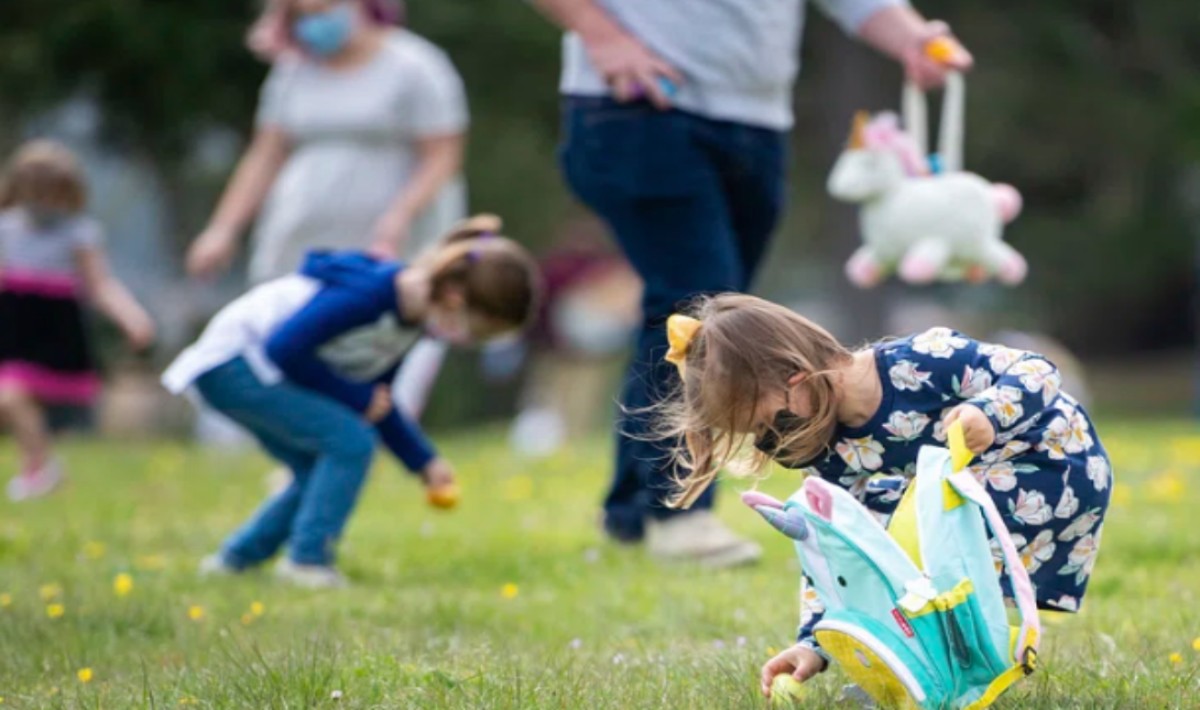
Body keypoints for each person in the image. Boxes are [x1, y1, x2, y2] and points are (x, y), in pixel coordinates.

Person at [529, 0, 974, 566]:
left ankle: (633, 510)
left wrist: (912, 38)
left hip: (757, 119)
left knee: (706, 307)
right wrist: (602, 36)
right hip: (640, 101)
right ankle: (678, 514)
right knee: (700, 307)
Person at [651, 294, 1111, 694]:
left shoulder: (922, 361)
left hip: (1052, 464)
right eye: (764, 439)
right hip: (969, 487)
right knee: (882, 542)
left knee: (919, 547)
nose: (782, 444)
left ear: (798, 374)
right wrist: (815, 642)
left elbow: (1038, 370)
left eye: (777, 424)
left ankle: (937, 671)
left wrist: (987, 412)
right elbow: (837, 549)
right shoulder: (828, 444)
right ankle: (917, 669)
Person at [162, 215, 540, 588]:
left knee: (320, 465)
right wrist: (356, 398)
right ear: (456, 299)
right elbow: (284, 348)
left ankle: (236, 560)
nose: (466, 342)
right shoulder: (370, 294)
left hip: (255, 370)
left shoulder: (410, 323)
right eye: (476, 332)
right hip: (236, 363)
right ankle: (307, 562)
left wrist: (423, 461)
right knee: (349, 443)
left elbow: (379, 402)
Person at [186, 0, 468, 418]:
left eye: (322, 8)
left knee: (384, 342)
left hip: (390, 243)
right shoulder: (294, 70)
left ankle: (382, 431)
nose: (315, 22)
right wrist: (223, 228)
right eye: (302, 15)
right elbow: (265, 154)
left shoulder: (416, 65)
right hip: (305, 240)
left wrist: (400, 215)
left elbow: (442, 155)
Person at [0, 140, 156, 501]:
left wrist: (131, 317)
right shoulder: (6, 230)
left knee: (13, 399)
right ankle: (39, 468)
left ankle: (39, 468)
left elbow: (100, 284)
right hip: (14, 331)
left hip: (54, 334)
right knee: (12, 399)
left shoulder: (79, 233)